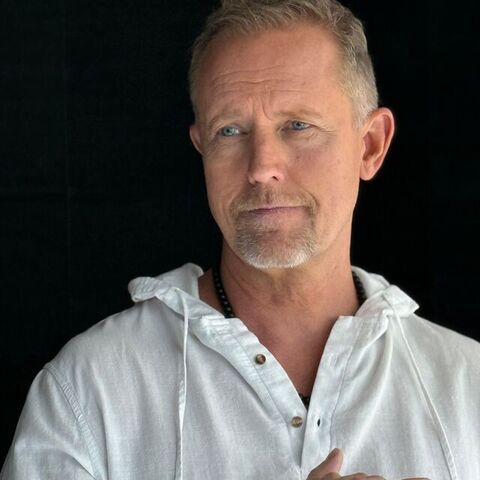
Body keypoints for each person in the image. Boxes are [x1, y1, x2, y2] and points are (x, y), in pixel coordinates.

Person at [2, 0, 479, 479]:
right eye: (230, 130)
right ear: (202, 148)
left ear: (370, 145)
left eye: (298, 126)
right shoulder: (88, 390)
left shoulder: (468, 386)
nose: (261, 166)